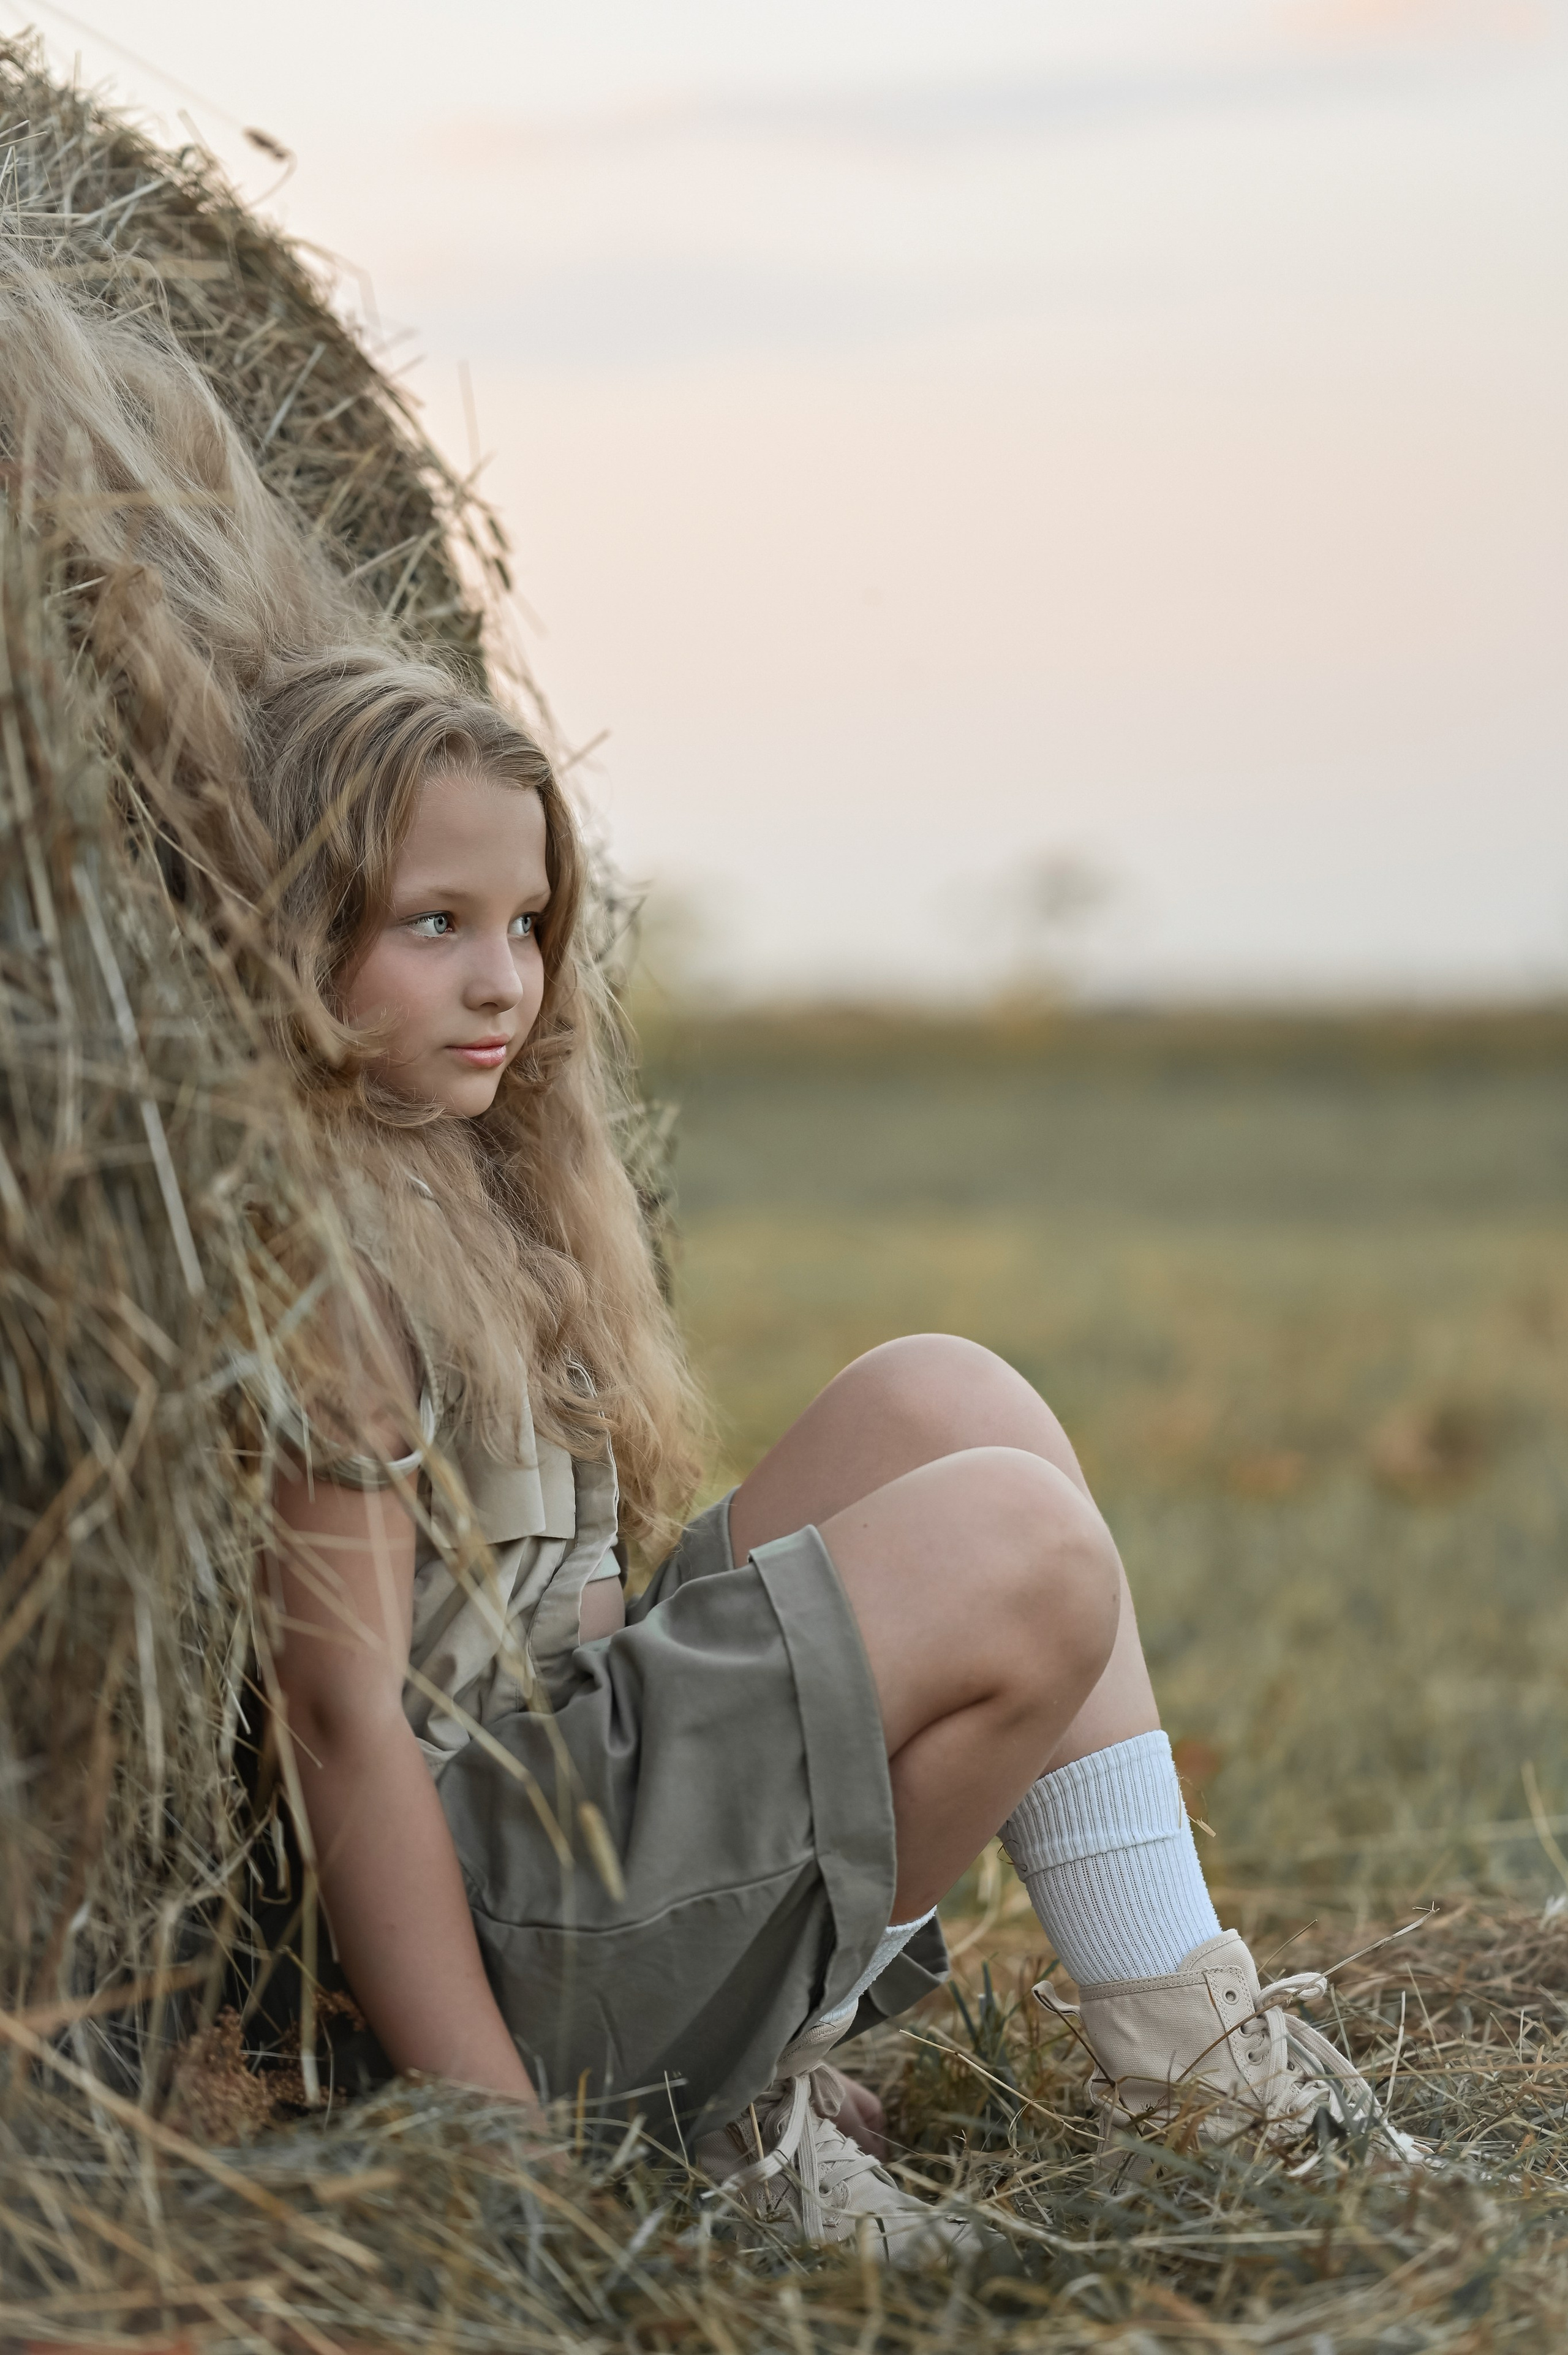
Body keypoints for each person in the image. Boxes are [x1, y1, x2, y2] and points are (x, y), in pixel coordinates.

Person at [0, 264, 1414, 2262]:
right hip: (509, 1911)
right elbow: (338, 1732)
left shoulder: (464, 1181)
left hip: (582, 1788)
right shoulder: (320, 1263)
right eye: (431, 924)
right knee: (1021, 1548)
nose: (505, 979)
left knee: (956, 1397)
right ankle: (719, 2116)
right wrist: (484, 2143)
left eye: (527, 922)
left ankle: (1189, 2044)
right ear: (294, 927)